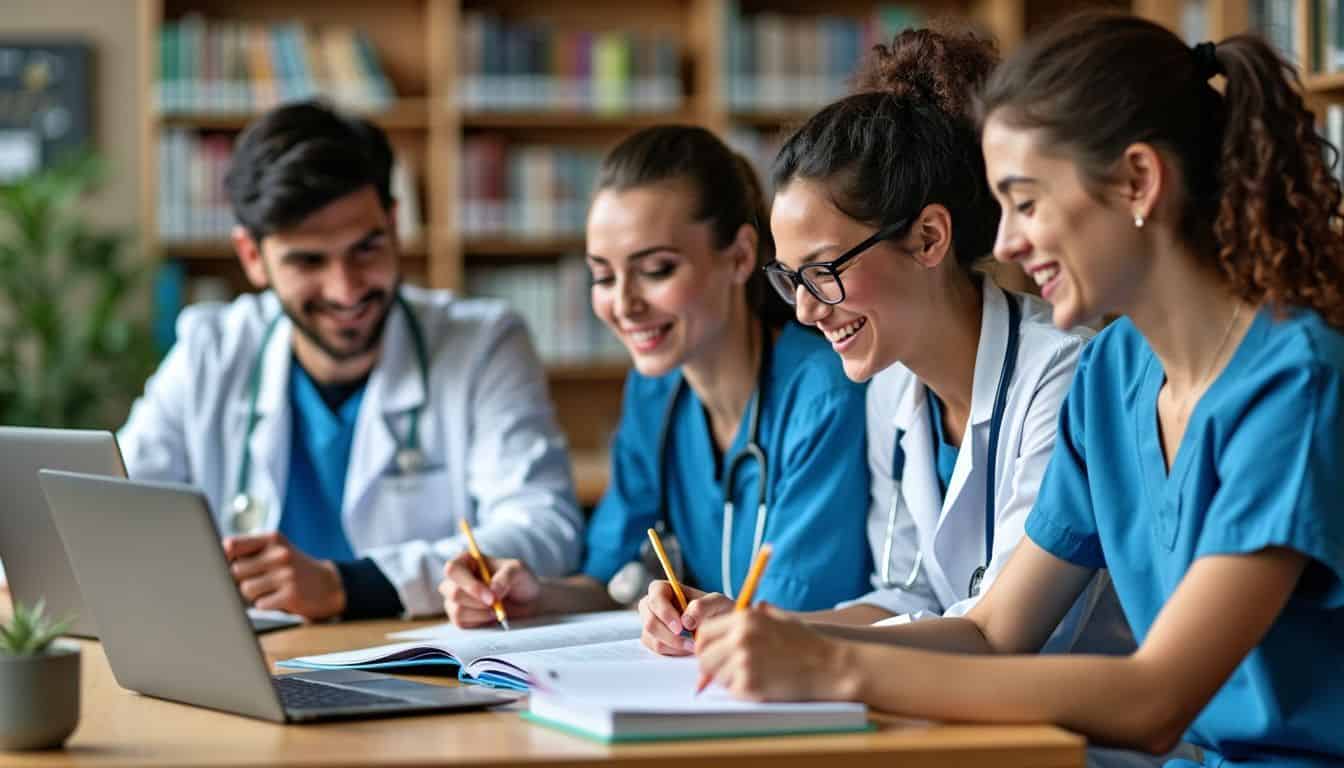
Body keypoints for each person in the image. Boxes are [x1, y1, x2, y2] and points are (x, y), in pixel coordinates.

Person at [691, 13, 1344, 766]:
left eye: (1026, 202)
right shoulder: (1112, 377)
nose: (1002, 244)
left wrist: (832, 667)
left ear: (1138, 181)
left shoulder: (1296, 385)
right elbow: (994, 630)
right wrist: (771, 636)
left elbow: (1156, 701)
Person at [639, 28, 1129, 656]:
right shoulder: (893, 384)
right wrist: (743, 624)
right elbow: (906, 598)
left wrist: (789, 639)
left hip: (1078, 743)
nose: (809, 310)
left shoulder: (1061, 378)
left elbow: (1001, 634)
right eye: (791, 280)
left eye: (826, 271)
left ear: (928, 238)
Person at [118, 102, 582, 621]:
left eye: (366, 248)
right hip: (254, 667)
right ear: (252, 256)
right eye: (309, 260)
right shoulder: (211, 349)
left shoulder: (483, 343)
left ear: (395, 222)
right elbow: (116, 510)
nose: (346, 289)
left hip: (425, 672)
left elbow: (543, 527)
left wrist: (348, 586)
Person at [437, 125, 873, 627]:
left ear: (739, 256)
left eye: (656, 270)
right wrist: (532, 596)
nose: (623, 304)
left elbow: (796, 620)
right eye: (603, 276)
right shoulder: (656, 393)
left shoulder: (825, 396)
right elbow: (606, 576)